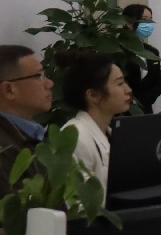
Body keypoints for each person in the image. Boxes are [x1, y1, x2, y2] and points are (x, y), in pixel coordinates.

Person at [59, 52, 132, 187]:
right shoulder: (75, 136)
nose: (128, 90)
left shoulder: (112, 133)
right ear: (93, 95)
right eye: (120, 83)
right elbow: (78, 196)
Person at [0, 44, 53, 183]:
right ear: (9, 90)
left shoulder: (33, 134)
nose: (49, 84)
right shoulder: (5, 149)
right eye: (39, 76)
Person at [119, 2, 161, 114]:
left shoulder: (152, 52)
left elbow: (159, 84)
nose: (148, 24)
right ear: (128, 23)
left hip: (146, 110)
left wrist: (144, 101)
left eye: (150, 19)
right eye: (144, 19)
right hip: (120, 111)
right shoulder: (116, 50)